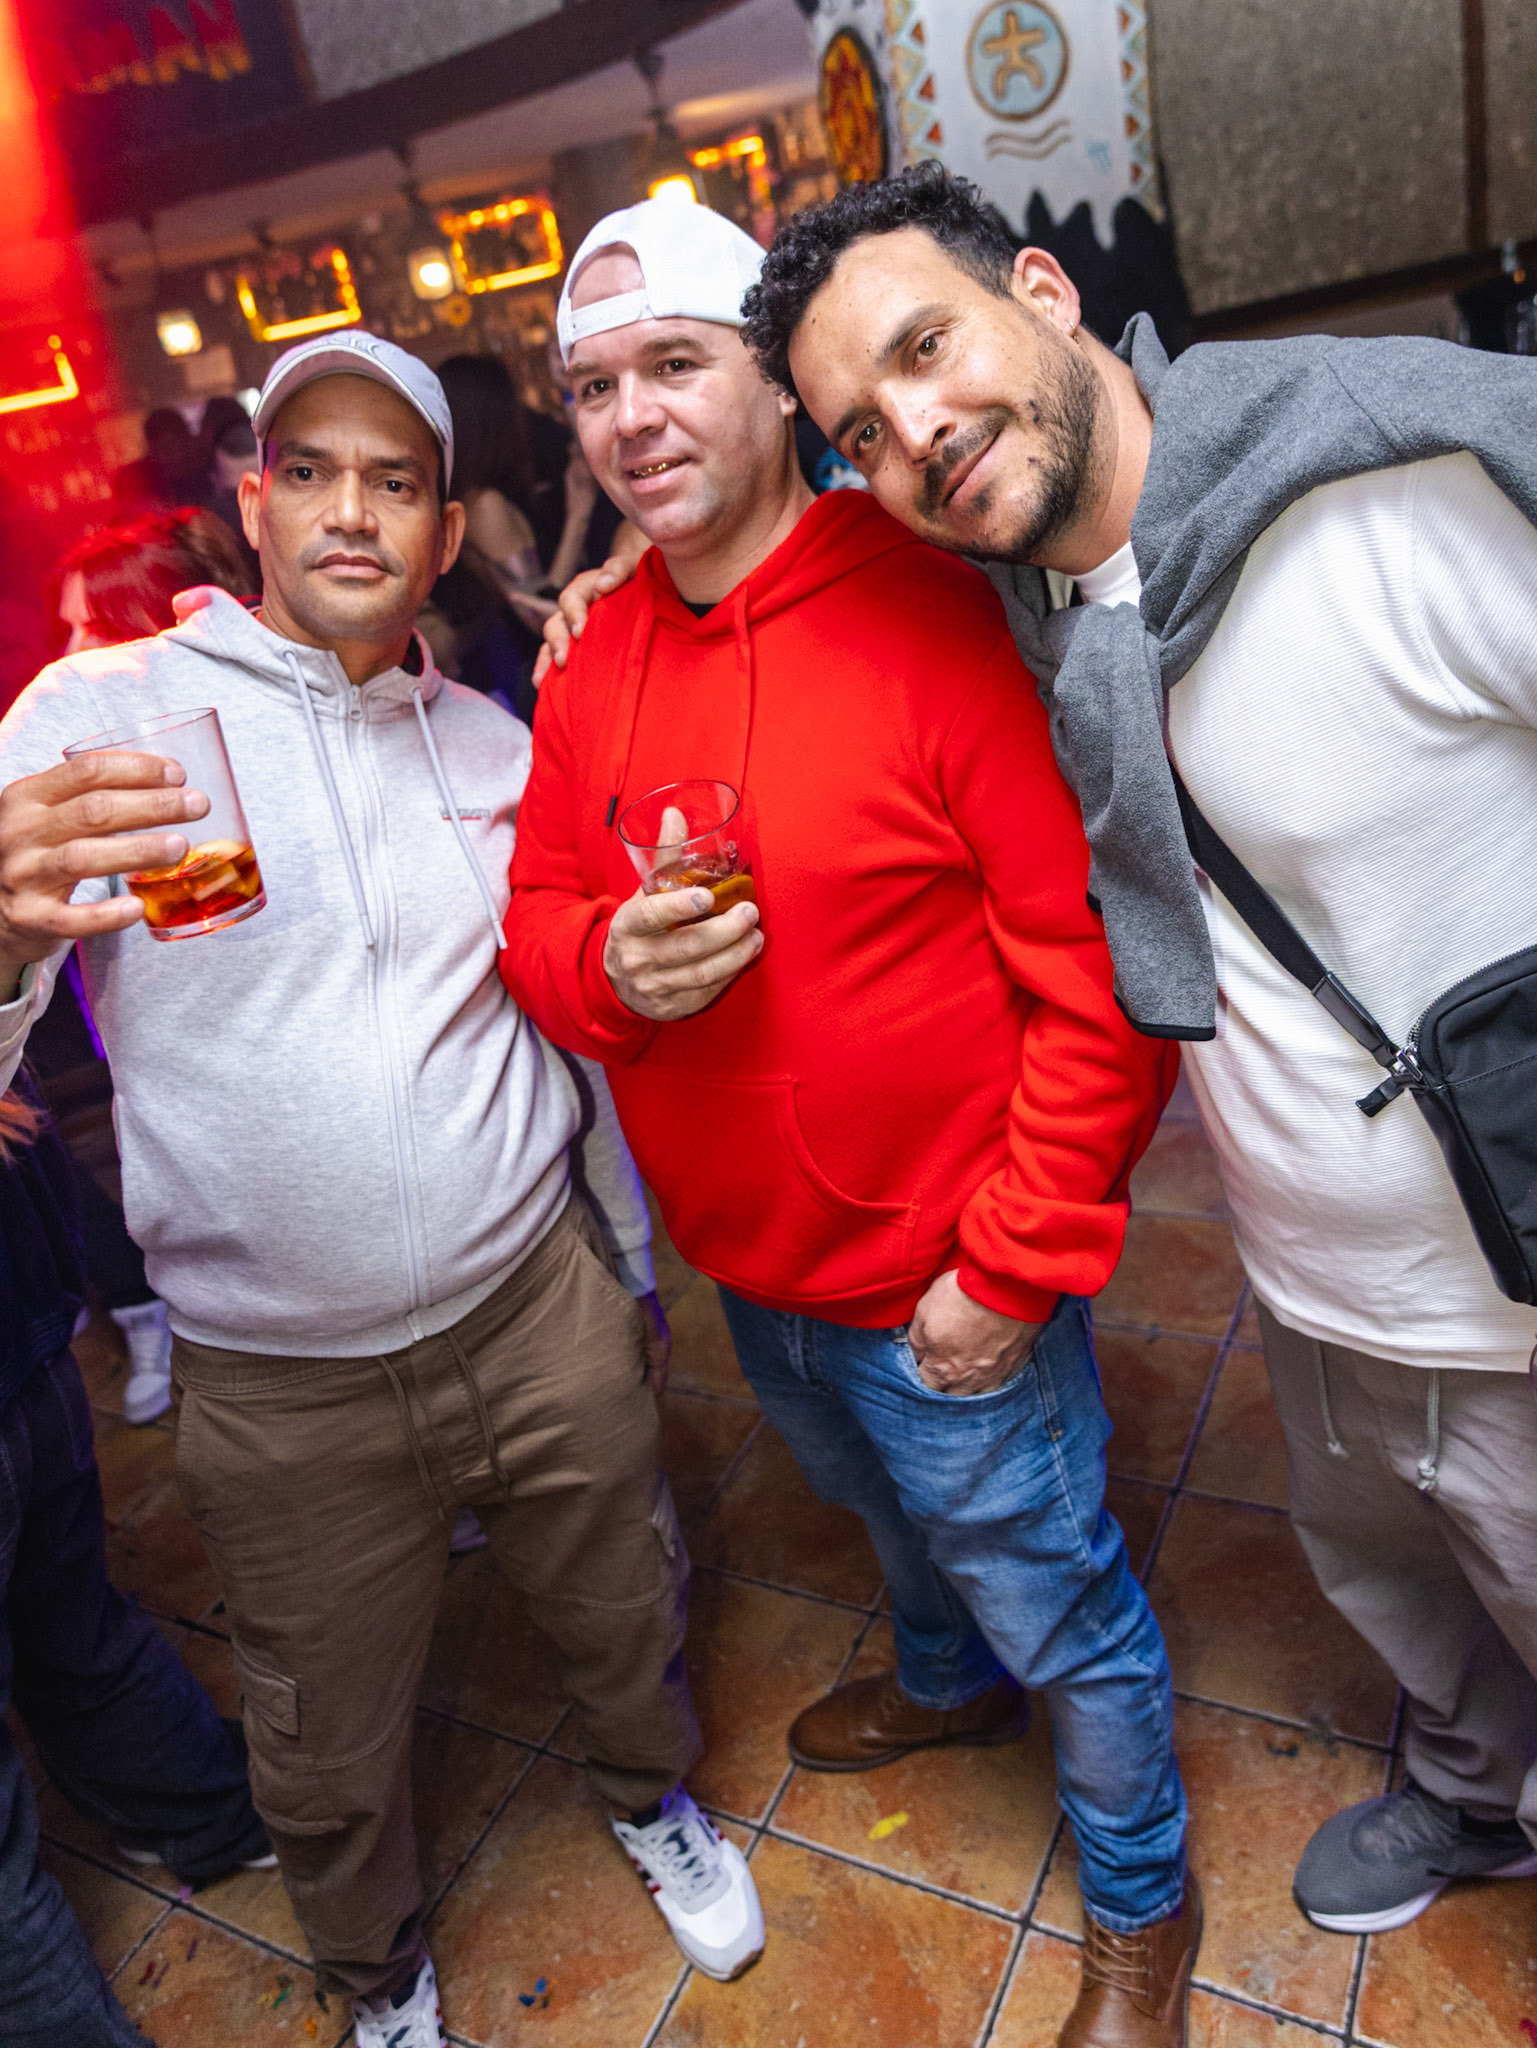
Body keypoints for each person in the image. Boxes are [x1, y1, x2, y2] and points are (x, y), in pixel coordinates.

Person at [736, 160, 1537, 1961]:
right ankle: (1471, 1790)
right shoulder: (1036, 613)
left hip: (1505, 1304)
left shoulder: (1382, 509)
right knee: (1395, 1590)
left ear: (1044, 291)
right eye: (860, 431)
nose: (916, 432)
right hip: (1309, 1285)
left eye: (925, 348)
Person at [0, 330, 763, 2048]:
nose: (352, 509)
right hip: (281, 1382)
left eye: (395, 480)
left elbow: (566, 1038)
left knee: (622, 1599)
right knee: (322, 1729)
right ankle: (379, 1974)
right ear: (253, 503)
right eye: (313, 471)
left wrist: (627, 1270)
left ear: (443, 533)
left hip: (534, 1305)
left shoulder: (492, 748)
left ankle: (650, 1798)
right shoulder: (97, 719)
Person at [502, 196, 1197, 2048]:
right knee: (885, 1518)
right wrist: (605, 969)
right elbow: (537, 924)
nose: (631, 419)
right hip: (757, 1274)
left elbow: (1100, 975)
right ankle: (943, 1680)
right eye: (591, 389)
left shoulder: (933, 597)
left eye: (673, 366)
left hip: (945, 1276)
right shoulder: (593, 659)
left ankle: (1142, 1902)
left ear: (775, 388)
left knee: (1062, 1603)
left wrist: (1012, 1267)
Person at [0, 1070, 272, 2048]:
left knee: (72, 1621)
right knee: (74, 1625)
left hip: (25, 1329)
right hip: (24, 1327)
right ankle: (208, 1813)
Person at [49, 508, 260, 1423]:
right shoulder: (81, 766)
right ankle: (147, 1316)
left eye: (89, 626)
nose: (67, 652)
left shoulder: (268, 742)